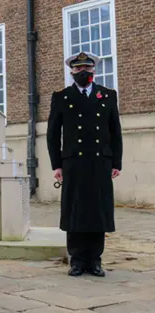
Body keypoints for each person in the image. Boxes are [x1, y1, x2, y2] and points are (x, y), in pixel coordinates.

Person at [47, 51, 122, 278]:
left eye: (87, 69)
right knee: (75, 210)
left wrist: (116, 161)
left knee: (98, 210)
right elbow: (52, 133)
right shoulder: (62, 96)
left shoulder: (107, 95)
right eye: (78, 69)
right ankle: (77, 259)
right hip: (73, 162)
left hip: (100, 160)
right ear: (72, 71)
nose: (83, 72)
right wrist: (56, 164)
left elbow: (115, 131)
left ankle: (95, 259)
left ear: (93, 71)